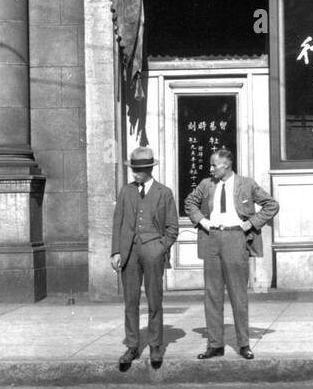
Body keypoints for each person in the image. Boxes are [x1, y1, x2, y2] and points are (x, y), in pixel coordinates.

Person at [185, 147, 279, 360]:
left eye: (214, 165)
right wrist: (204, 222)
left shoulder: (246, 184)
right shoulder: (206, 185)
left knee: (238, 294)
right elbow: (189, 203)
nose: (210, 169)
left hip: (236, 239)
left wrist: (251, 224)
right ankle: (215, 345)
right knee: (212, 294)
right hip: (212, 239)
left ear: (226, 165)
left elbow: (271, 205)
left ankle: (244, 344)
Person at [110, 146, 179, 370]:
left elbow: (172, 228)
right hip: (129, 253)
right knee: (130, 301)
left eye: (139, 170)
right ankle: (132, 345)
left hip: (153, 252)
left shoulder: (164, 192)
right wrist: (116, 251)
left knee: (154, 300)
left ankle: (156, 345)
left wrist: (160, 248)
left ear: (149, 169)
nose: (135, 174)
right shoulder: (126, 191)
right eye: (133, 169)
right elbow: (117, 223)